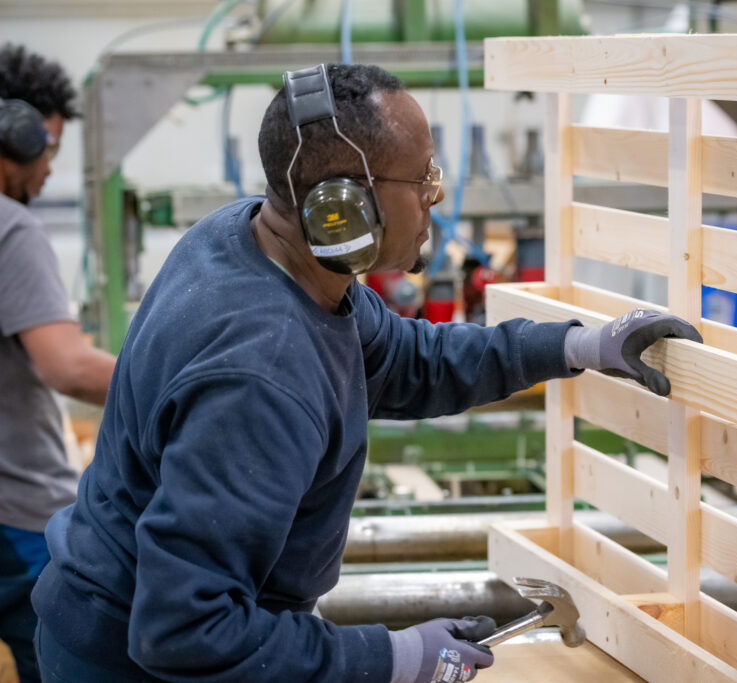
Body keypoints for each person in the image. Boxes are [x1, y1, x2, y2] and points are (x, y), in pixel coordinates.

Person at [31, 63, 701, 683]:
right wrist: (391, 657)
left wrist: (579, 346)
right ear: (343, 208)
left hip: (139, 621)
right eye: (421, 179)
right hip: (129, 663)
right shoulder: (261, 377)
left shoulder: (259, 244)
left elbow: (411, 360)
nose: (437, 195)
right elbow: (185, 631)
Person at [0, 44, 117, 683]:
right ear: (14, 135)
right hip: (16, 516)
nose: (49, 168)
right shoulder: (11, 228)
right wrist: (180, 384)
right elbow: (66, 366)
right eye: (46, 146)